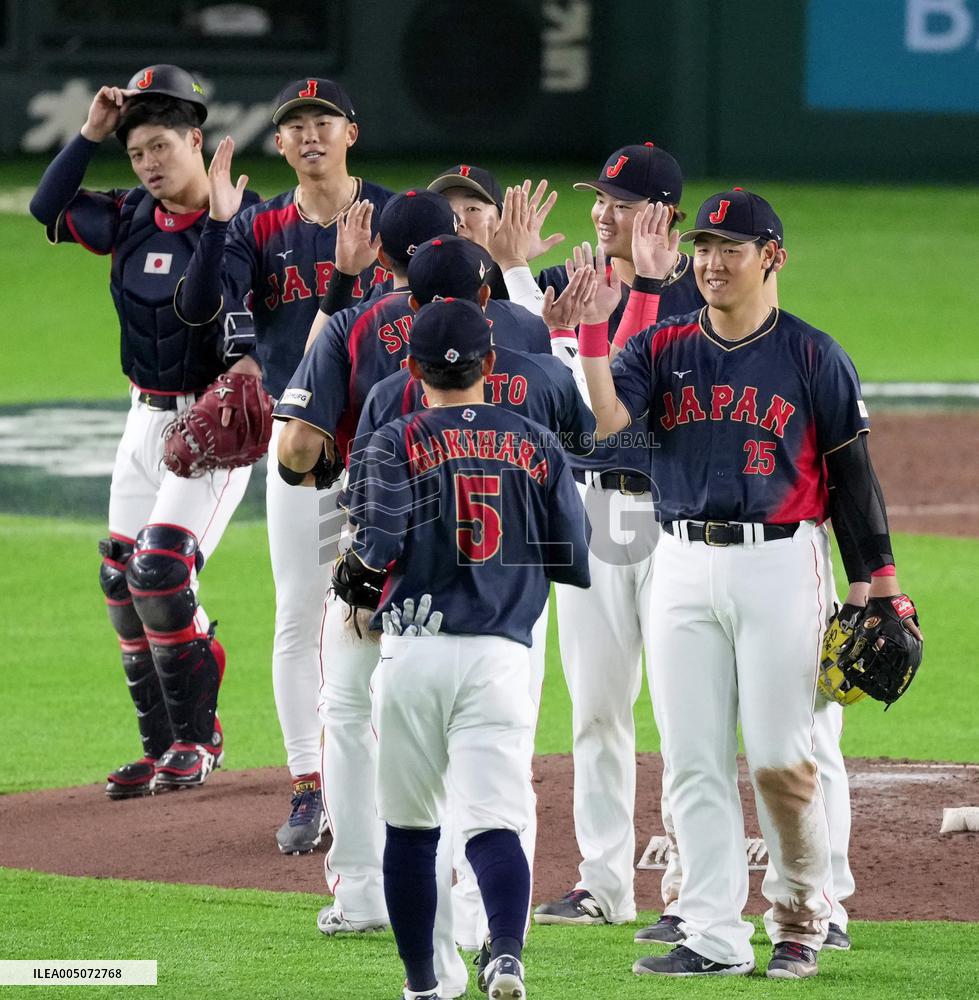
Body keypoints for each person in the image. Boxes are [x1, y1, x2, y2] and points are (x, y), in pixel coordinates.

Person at [577, 188, 920, 979]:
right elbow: (607, 428)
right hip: (678, 561)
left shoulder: (812, 355)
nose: (710, 261)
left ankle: (802, 918)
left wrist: (877, 586)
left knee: (779, 758)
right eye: (702, 247)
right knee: (692, 758)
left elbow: (852, 477)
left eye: (730, 248)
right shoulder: (661, 346)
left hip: (780, 563)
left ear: (772, 257)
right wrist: (594, 329)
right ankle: (711, 932)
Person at [342, 298, 591, 1000]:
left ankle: (424, 985)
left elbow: (376, 548)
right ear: (491, 363)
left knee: (411, 830)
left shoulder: (392, 440)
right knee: (493, 822)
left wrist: (355, 581)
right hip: (500, 657)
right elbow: (573, 559)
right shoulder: (536, 443)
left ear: (412, 369)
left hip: (414, 654)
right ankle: (504, 954)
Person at [174, 77, 394, 853]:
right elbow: (199, 307)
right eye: (295, 125)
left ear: (349, 134)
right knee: (300, 612)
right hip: (303, 448)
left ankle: (387, 778)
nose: (309, 135)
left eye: (323, 121)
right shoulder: (259, 225)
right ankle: (309, 784)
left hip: (391, 448)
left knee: (391, 615)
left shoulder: (394, 216)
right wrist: (215, 226)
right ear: (279, 143)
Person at [29, 65, 258, 798]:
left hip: (211, 426)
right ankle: (160, 748)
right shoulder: (130, 215)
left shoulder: (247, 223)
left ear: (197, 142)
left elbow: (204, 308)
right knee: (121, 580)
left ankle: (199, 739)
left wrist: (218, 223)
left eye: (161, 146)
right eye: (136, 153)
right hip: (143, 419)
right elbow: (45, 207)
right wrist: (90, 132)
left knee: (161, 573)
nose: (149, 164)